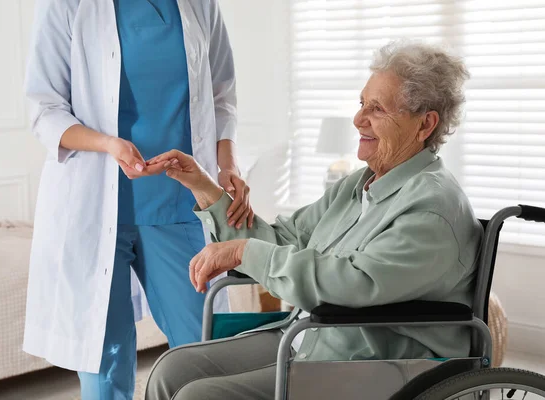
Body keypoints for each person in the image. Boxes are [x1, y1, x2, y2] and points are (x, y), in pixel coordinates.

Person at [144, 41, 483, 400]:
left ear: (424, 124)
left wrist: (245, 252)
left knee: (200, 396)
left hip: (373, 365)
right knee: (172, 369)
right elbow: (281, 240)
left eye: (377, 109)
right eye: (361, 104)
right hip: (313, 339)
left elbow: (353, 283)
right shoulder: (359, 185)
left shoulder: (431, 208)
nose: (358, 119)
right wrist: (202, 185)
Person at [23, 1, 253, 399]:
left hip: (181, 204)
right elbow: (45, 110)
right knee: (104, 365)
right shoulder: (68, 5)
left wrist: (227, 164)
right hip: (94, 206)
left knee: (207, 352)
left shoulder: (200, 5)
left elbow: (222, 96)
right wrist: (107, 144)